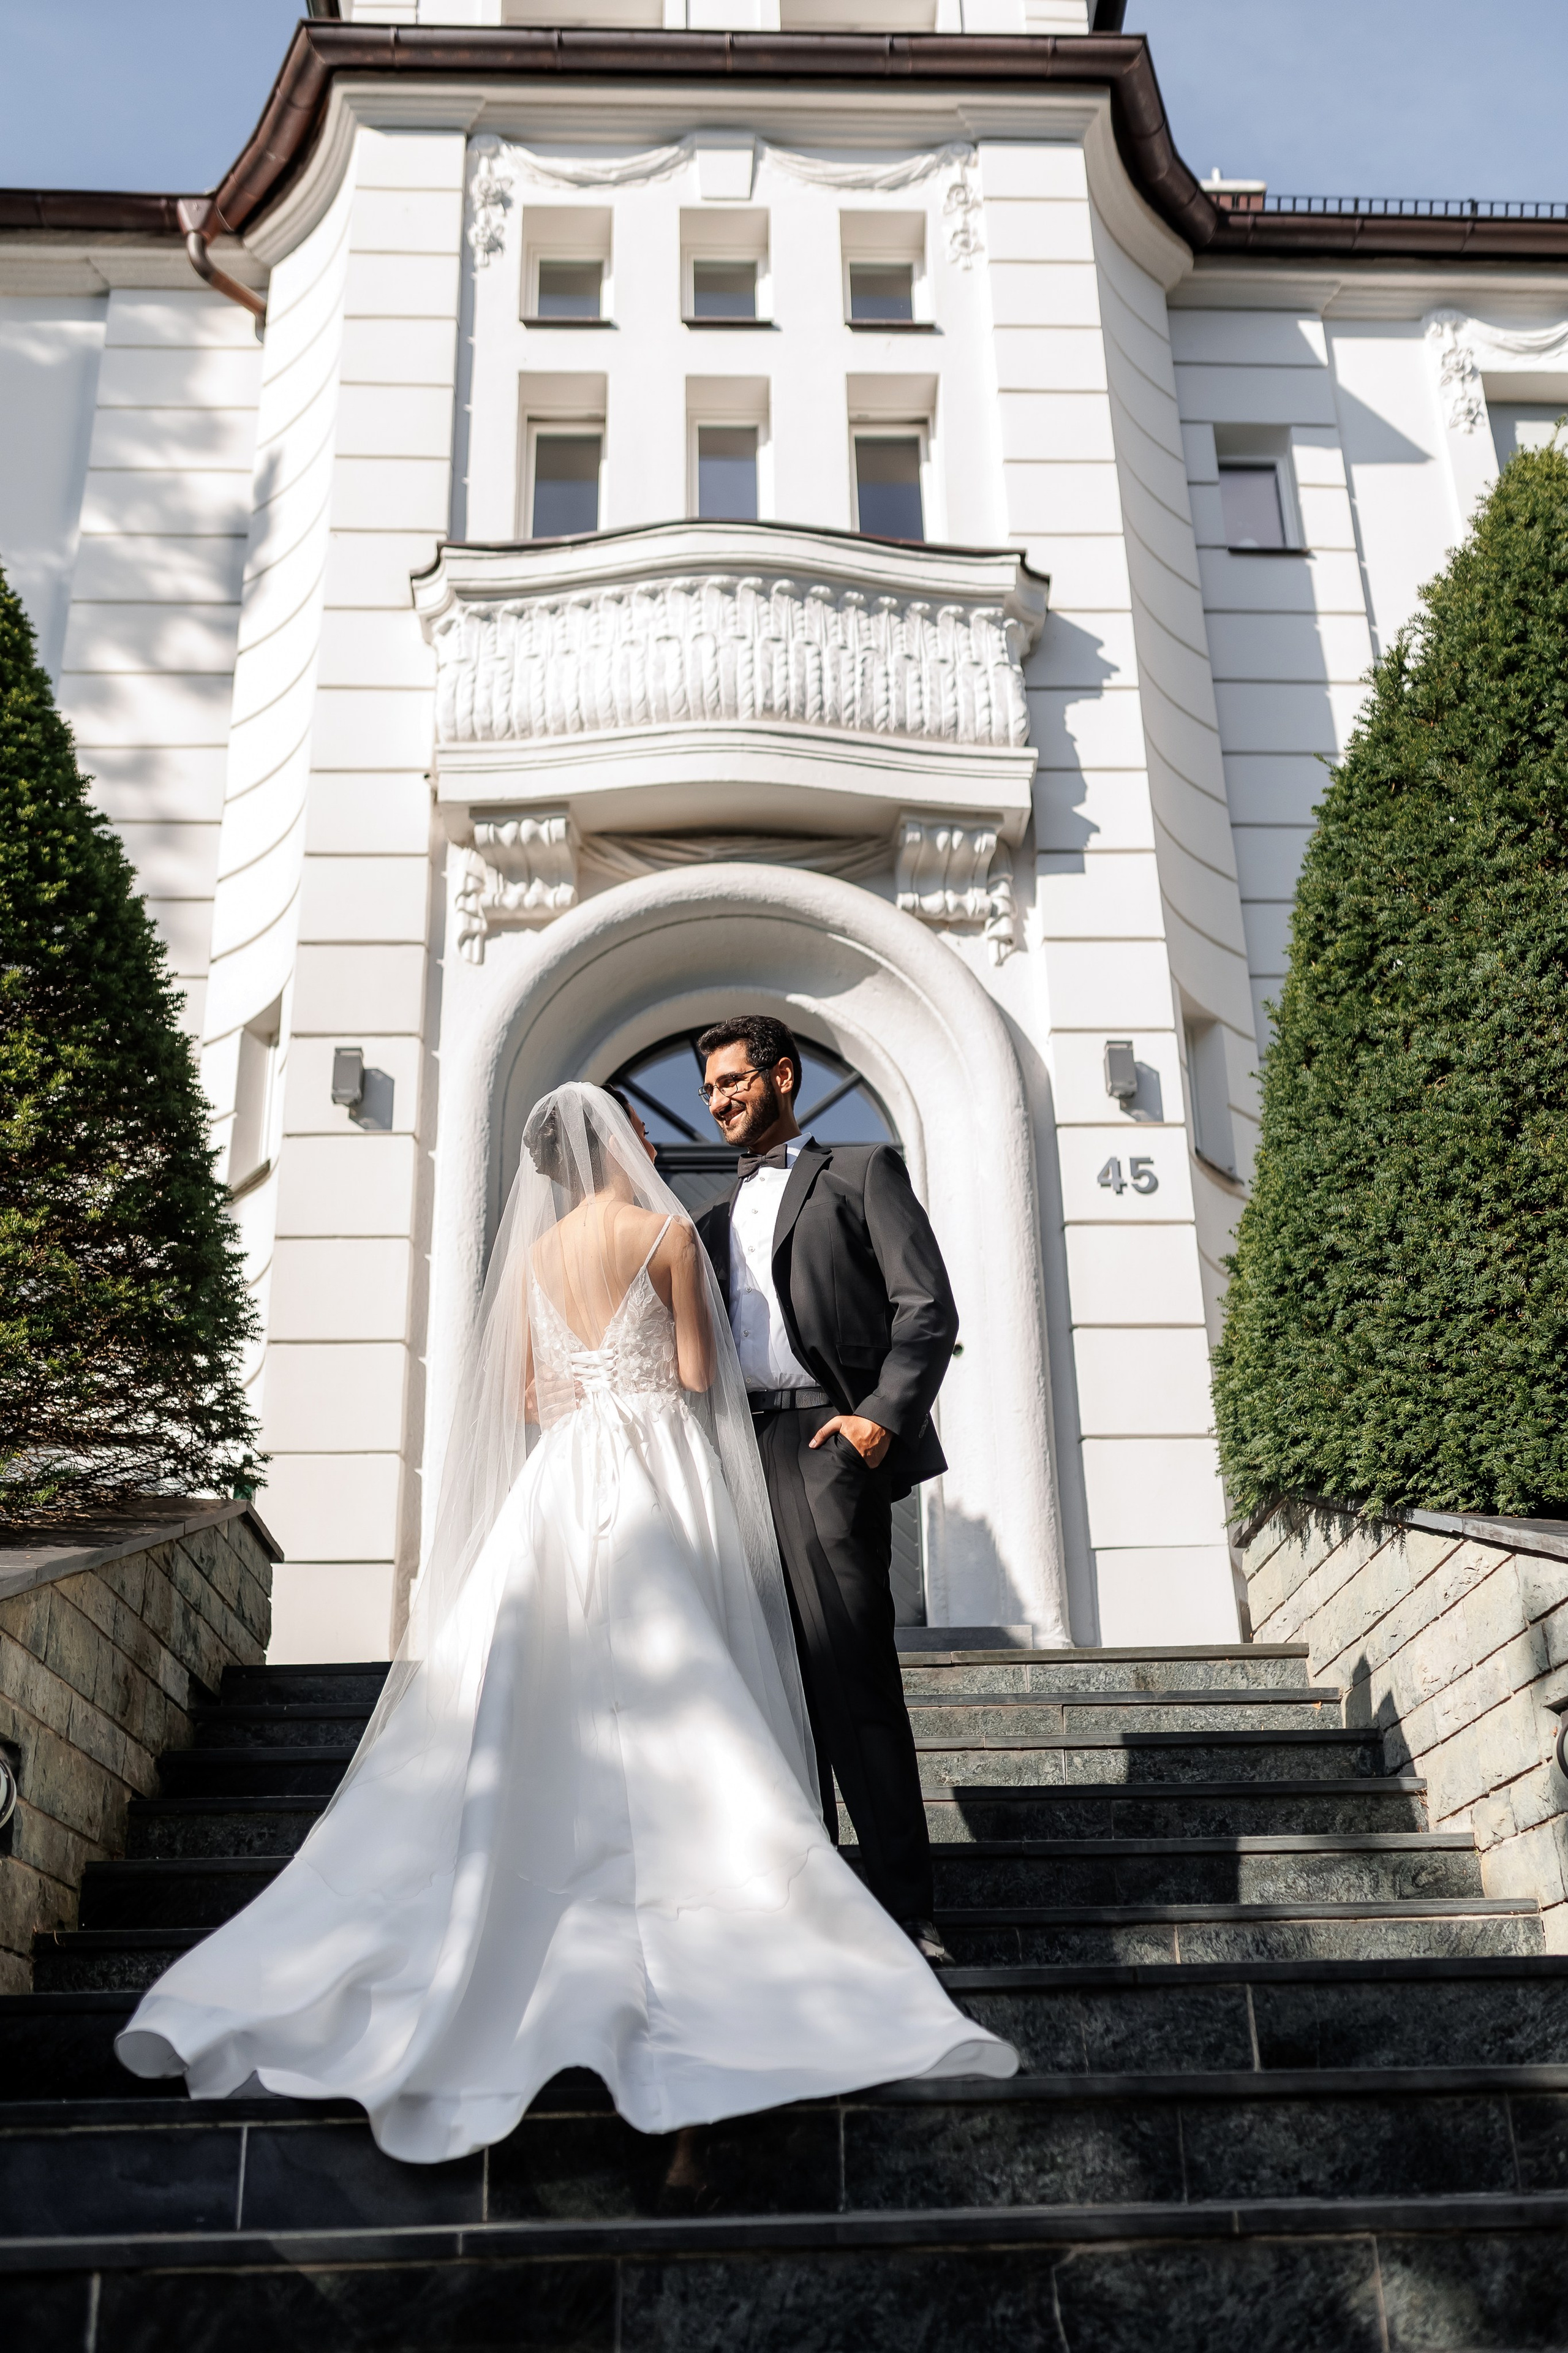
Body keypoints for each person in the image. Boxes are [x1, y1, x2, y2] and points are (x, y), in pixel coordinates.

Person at [115, 1082, 1014, 2162]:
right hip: (652, 1466)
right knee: (685, 1668)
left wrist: (588, 1385)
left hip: (563, 1472)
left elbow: (529, 1395)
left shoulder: (535, 1258)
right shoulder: (664, 1235)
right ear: (619, 1144)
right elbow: (697, 1374)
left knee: (543, 1667)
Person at [693, 1016, 956, 1964]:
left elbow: (926, 1308)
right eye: (709, 1089)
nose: (718, 1101)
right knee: (772, 1687)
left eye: (733, 1081)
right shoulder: (709, 1222)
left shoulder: (861, 1170)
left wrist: (878, 1419)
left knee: (854, 1678)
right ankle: (807, 1909)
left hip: (826, 1445)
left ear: (784, 1076)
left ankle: (905, 1912)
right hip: (737, 1457)